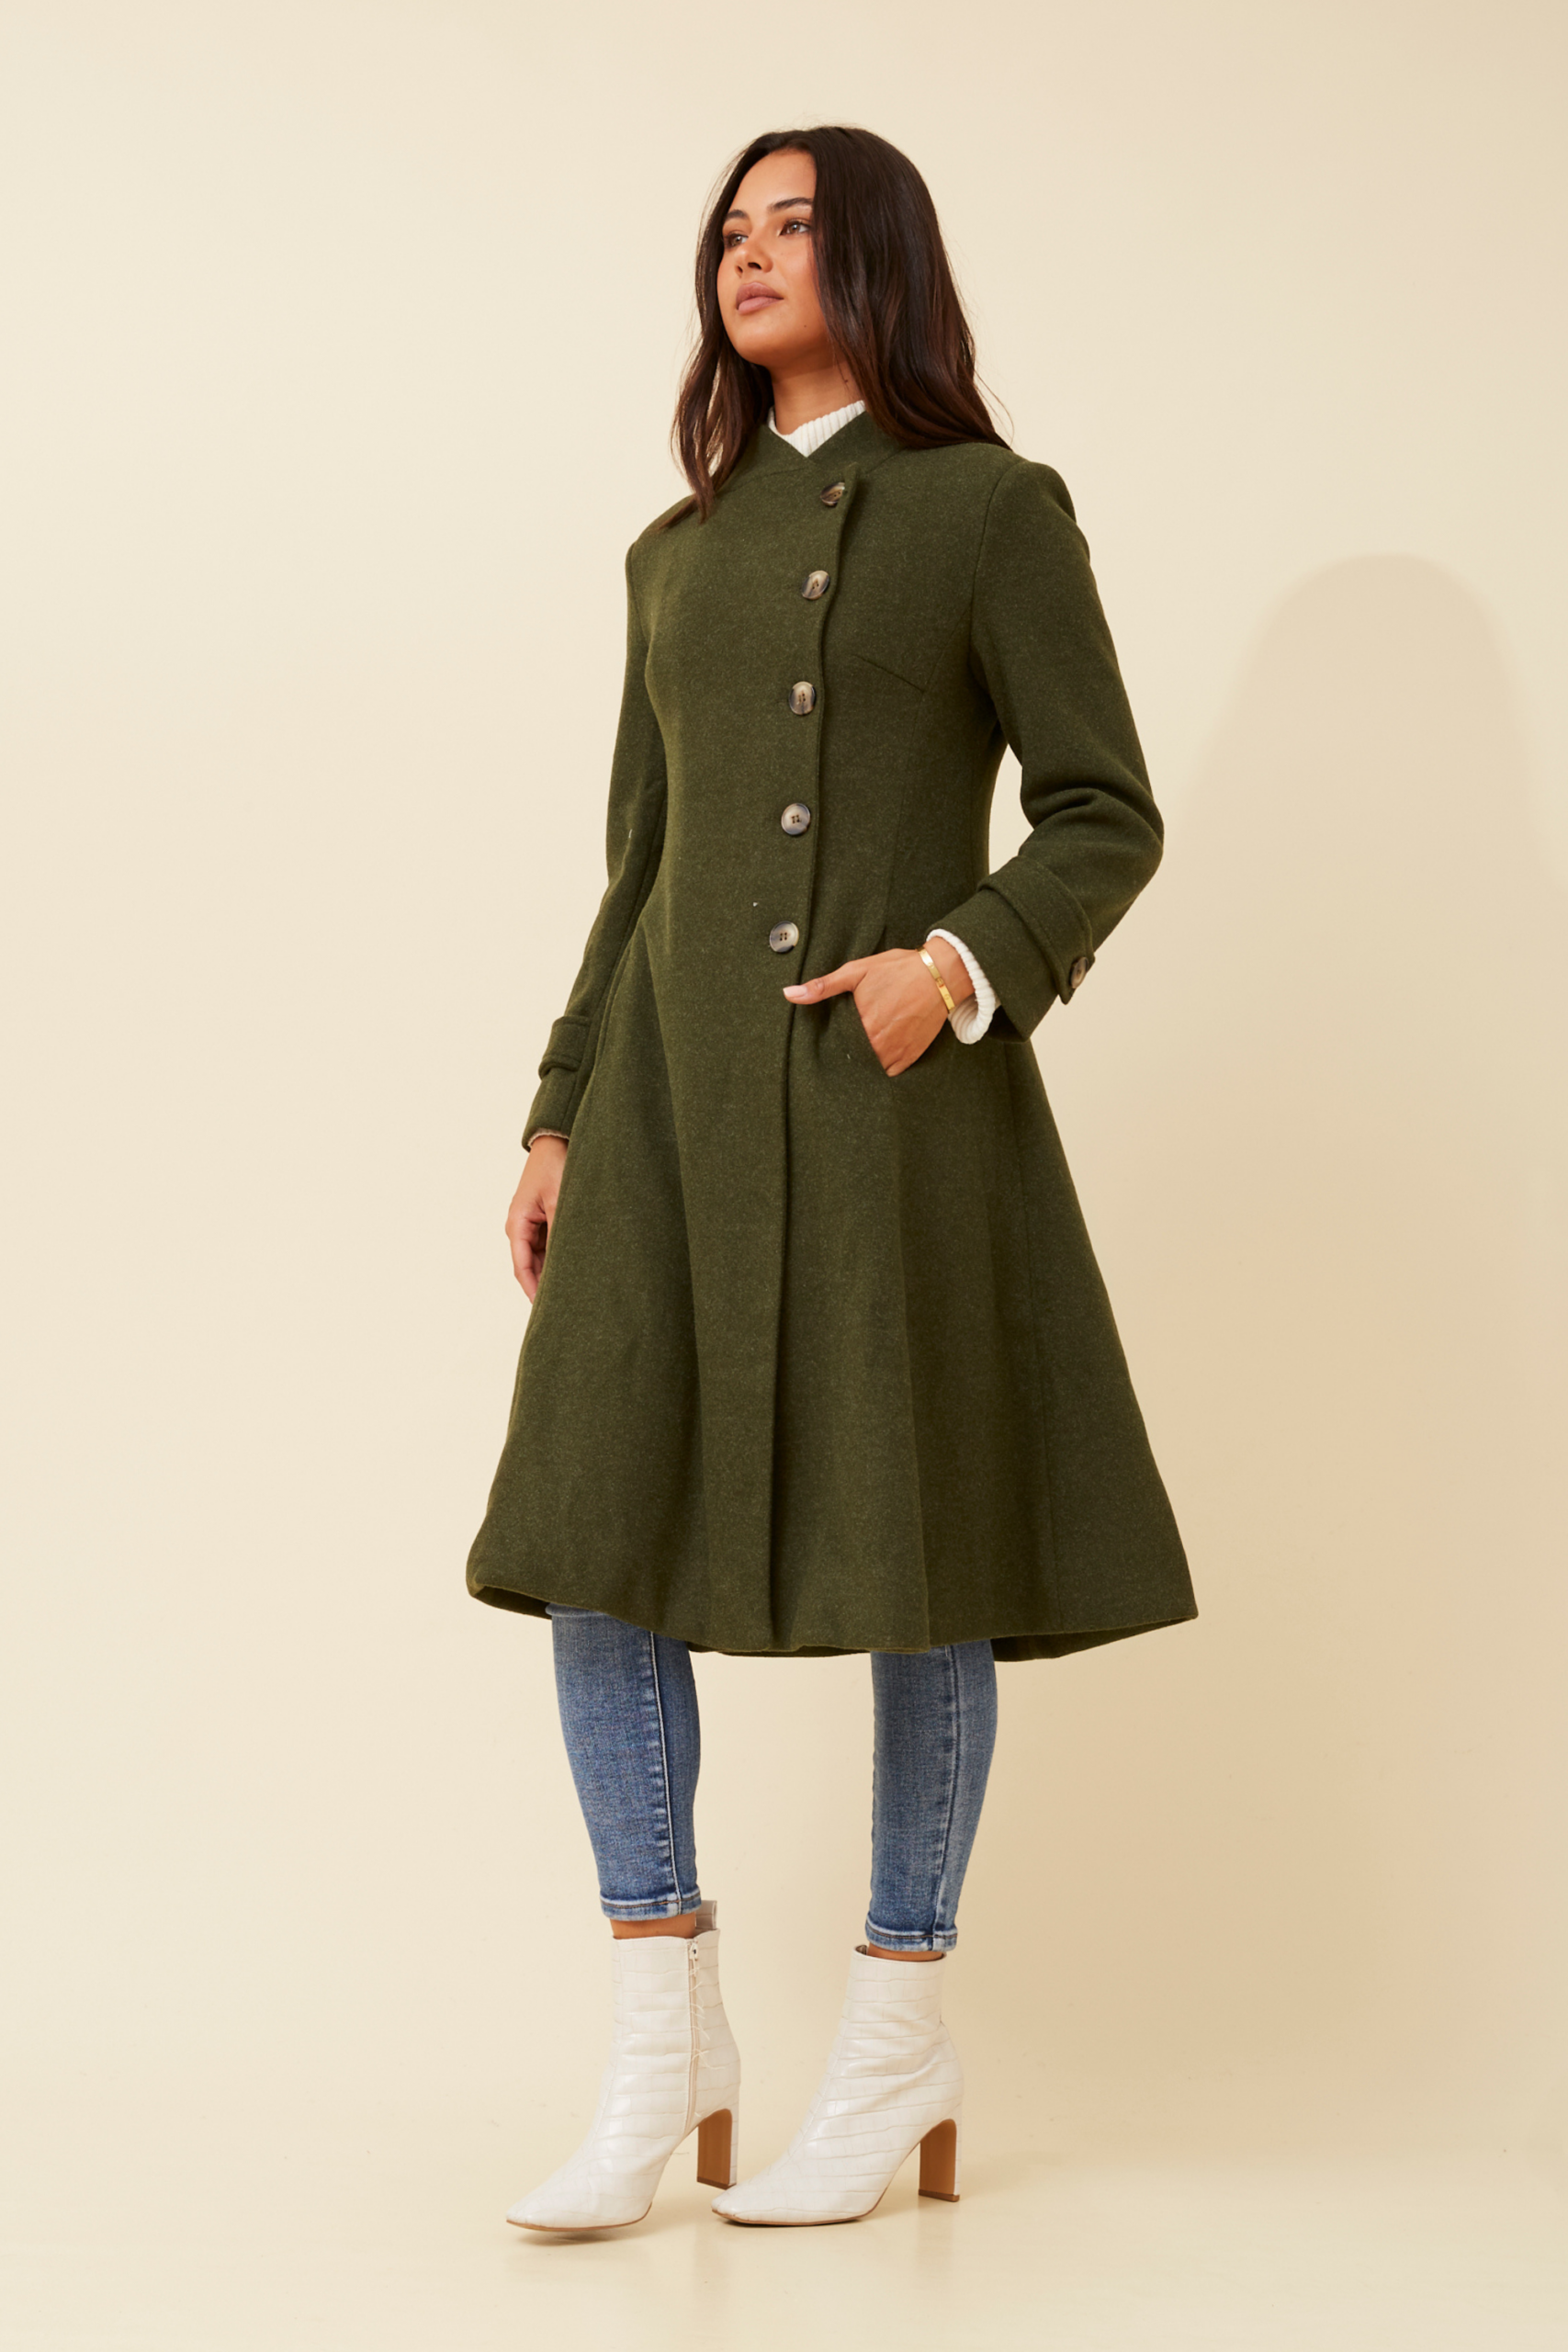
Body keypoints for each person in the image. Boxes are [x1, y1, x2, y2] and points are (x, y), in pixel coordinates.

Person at [468, 124, 1196, 2233]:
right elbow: (642, 866)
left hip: (895, 1115)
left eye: (793, 224)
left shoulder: (990, 510)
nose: (749, 253)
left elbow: (1104, 807)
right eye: (729, 228)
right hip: (666, 1115)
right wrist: (557, 1108)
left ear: (876, 257)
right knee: (596, 1536)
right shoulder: (672, 553)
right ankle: (663, 2035)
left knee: (919, 1551)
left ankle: (894, 2040)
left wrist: (953, 966)